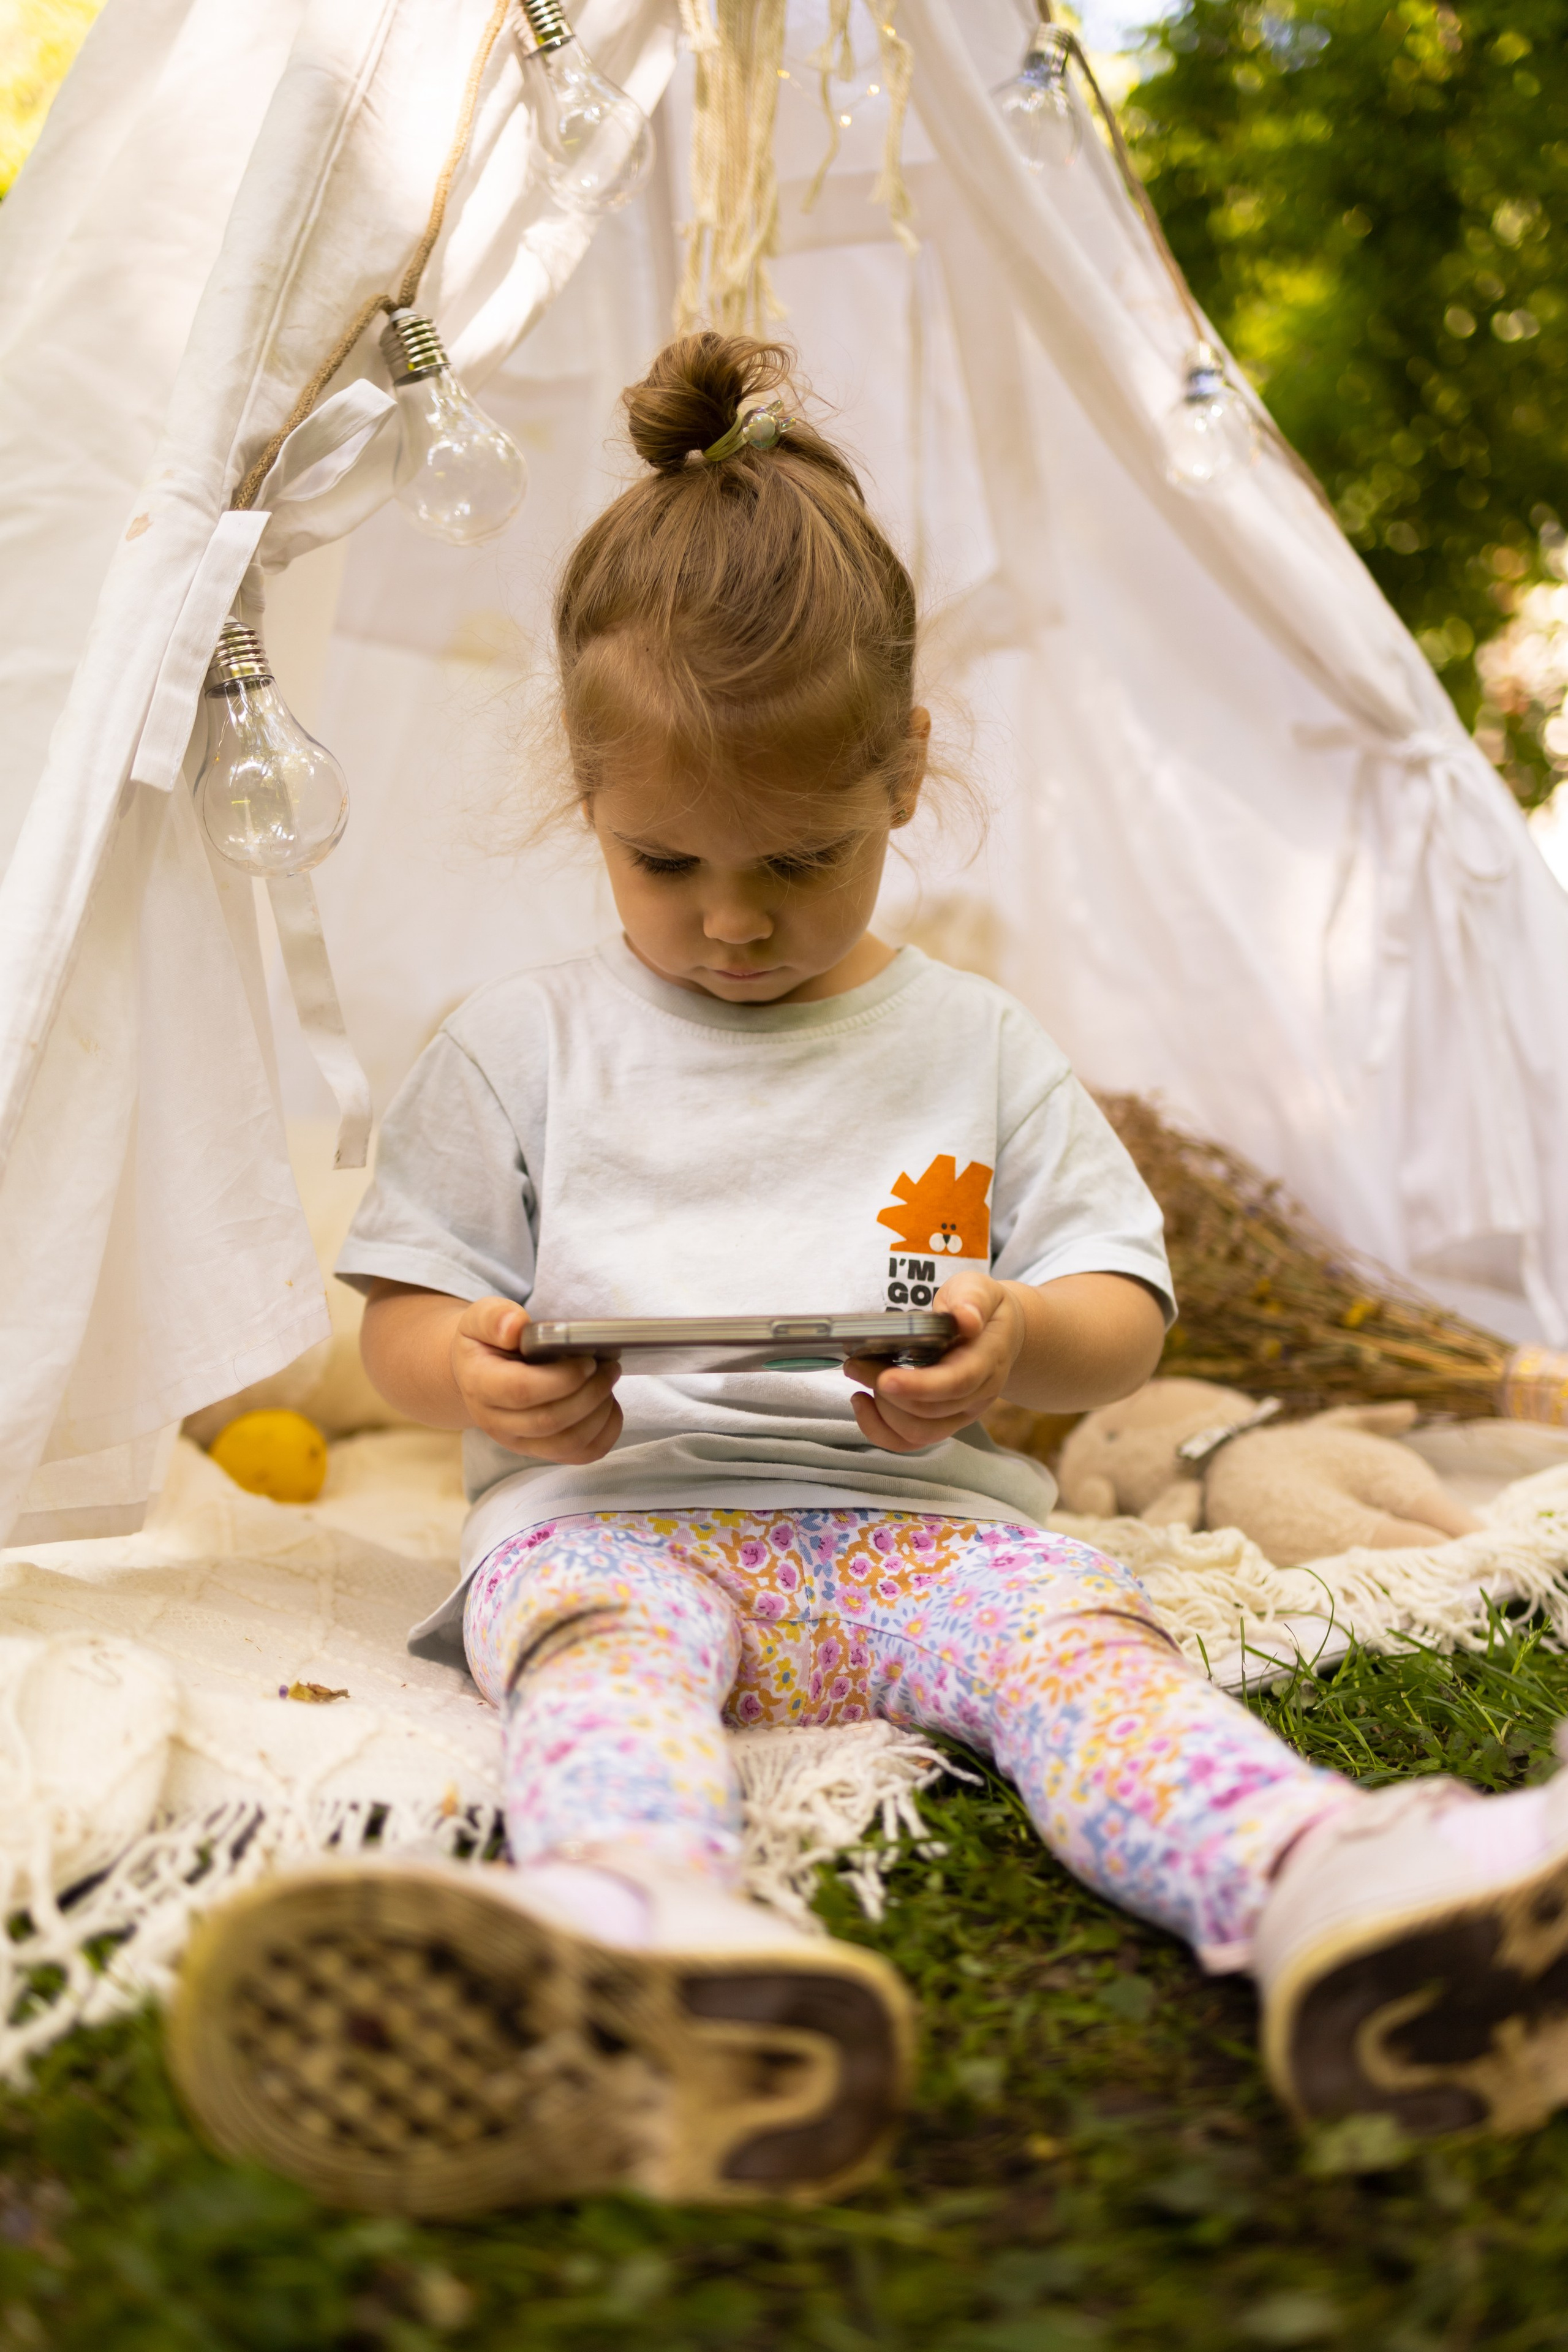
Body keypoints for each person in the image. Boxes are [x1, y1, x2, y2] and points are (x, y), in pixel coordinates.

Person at [170, 334, 1568, 2217]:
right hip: (613, 1528)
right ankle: (640, 1940)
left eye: (799, 860)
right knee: (597, 1675)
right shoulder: (519, 1048)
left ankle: (1332, 1882)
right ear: (585, 793)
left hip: (929, 1535)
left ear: (906, 773)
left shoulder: (976, 1044)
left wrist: (1014, 1344)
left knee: (1086, 1663)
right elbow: (406, 1322)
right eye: (667, 861)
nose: (733, 920)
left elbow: (1121, 1317)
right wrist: (478, 1377)